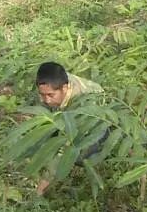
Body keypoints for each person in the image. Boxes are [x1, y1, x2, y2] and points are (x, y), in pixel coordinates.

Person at [35, 62, 104, 194]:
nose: (46, 100)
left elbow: (65, 148)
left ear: (65, 88)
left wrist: (41, 189)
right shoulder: (52, 83)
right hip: (66, 111)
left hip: (97, 121)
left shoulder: (82, 105)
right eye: (42, 95)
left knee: (76, 152)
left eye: (50, 95)